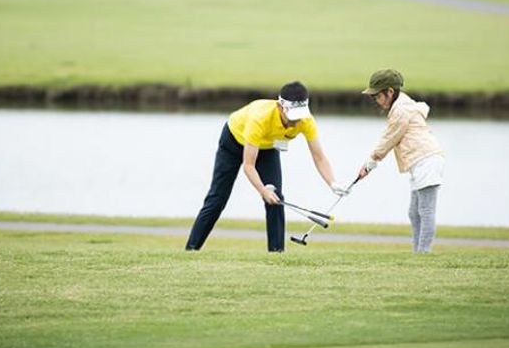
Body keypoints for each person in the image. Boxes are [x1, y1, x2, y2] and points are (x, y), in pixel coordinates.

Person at [186, 81, 349, 252]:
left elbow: (319, 157)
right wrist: (263, 191)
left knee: (276, 199)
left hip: (267, 147)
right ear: (280, 107)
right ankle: (191, 250)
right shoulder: (260, 118)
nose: (296, 121)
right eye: (293, 116)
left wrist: (332, 183)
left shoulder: (305, 120)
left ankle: (276, 254)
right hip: (234, 142)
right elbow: (249, 165)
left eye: (299, 115)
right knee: (217, 199)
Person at [354, 69, 444, 253]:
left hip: (427, 160)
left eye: (377, 96)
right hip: (419, 162)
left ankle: (423, 253)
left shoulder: (401, 111)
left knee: (426, 211)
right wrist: (370, 164)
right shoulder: (401, 106)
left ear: (390, 92)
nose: (376, 101)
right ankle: (417, 251)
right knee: (414, 212)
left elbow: (388, 140)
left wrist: (369, 165)